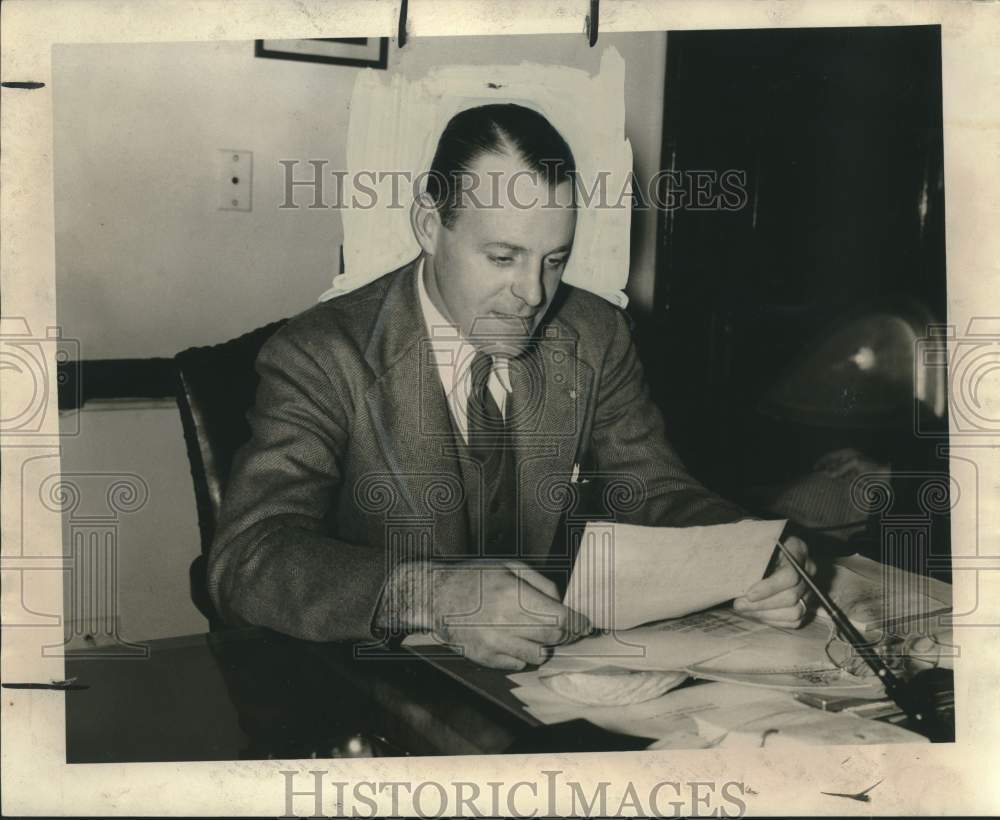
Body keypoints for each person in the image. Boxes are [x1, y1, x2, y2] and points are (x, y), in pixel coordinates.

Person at [208, 103, 816, 670]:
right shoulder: (321, 354)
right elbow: (250, 557)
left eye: (554, 260)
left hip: (552, 674)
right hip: (385, 682)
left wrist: (750, 552)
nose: (532, 295)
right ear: (428, 224)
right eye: (503, 257)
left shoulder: (596, 334)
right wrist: (431, 595)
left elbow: (655, 492)